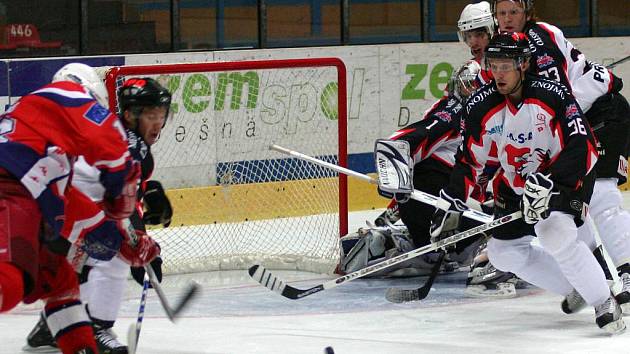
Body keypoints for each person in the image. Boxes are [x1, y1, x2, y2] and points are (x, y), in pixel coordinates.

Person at [430, 32, 624, 334]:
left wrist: (552, 184)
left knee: (554, 233)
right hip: (516, 185)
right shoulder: (481, 106)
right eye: (493, 66)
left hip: (563, 179)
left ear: (523, 64)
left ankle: (603, 300)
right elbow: (470, 159)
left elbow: (582, 145)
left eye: (505, 66)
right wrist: (450, 201)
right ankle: (575, 286)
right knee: (502, 253)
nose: (498, 74)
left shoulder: (554, 95)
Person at [0, 62, 160, 354]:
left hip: (27, 198)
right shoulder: (72, 96)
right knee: (12, 279)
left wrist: (112, 235)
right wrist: (123, 210)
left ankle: (81, 345)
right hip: (10, 188)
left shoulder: (42, 132)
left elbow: (67, 200)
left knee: (59, 279)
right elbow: (114, 156)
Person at [492, 0, 630, 313]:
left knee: (602, 197)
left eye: (513, 12)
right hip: (571, 124)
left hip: (601, 115)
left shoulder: (539, 41)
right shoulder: (510, 47)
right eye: (501, 13)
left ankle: (628, 270)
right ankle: (598, 279)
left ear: (527, 13)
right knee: (571, 207)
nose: (507, 19)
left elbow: (562, 100)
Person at [341, 60, 485, 277]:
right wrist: (395, 167)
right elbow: (409, 141)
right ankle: (433, 248)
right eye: (467, 85)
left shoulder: (478, 114)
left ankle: (427, 245)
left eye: (475, 86)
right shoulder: (457, 112)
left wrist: (393, 210)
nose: (471, 91)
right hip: (447, 204)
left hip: (447, 199)